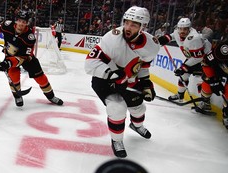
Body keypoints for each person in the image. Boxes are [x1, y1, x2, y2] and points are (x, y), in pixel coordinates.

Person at [85, 6, 160, 158]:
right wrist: (112, 75)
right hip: (104, 79)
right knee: (117, 107)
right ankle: (117, 140)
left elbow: (141, 67)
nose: (127, 27)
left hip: (127, 79)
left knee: (139, 108)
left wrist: (146, 84)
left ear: (142, 27)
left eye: (133, 24)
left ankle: (137, 126)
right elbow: (90, 63)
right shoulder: (112, 38)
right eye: (126, 22)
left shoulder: (151, 45)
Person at [0, 10, 63, 107]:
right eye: (19, 21)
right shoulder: (7, 25)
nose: (21, 24)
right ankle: (17, 96)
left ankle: (51, 96)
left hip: (27, 58)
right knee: (13, 76)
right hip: (10, 55)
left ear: (27, 23)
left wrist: (7, 63)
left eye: (24, 22)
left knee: (41, 78)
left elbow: (23, 57)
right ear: (16, 21)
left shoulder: (29, 37)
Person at [158, 18, 212, 110]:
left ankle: (205, 102)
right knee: (183, 75)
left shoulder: (194, 38)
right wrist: (165, 38)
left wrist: (184, 67)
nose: (182, 31)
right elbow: (174, 35)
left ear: (189, 28)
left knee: (202, 80)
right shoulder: (177, 31)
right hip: (194, 57)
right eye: (180, 29)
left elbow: (199, 58)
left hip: (206, 58)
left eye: (185, 29)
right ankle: (180, 95)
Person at [200, 40, 228, 129]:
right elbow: (206, 63)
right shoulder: (223, 48)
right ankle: (205, 101)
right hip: (217, 72)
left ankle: (226, 114)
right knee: (207, 85)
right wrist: (213, 81)